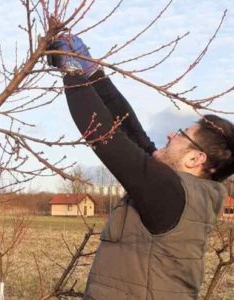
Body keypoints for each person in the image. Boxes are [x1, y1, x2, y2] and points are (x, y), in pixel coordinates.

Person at [47, 35, 234, 300]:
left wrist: (73, 72)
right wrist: (93, 72)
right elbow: (130, 130)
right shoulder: (184, 193)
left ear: (195, 159)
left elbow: (106, 138)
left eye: (182, 133)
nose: (170, 135)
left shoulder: (171, 193)